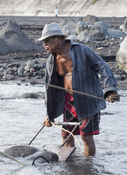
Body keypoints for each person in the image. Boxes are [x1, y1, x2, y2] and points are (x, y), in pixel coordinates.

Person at [39, 23, 119, 157]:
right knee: (66, 136)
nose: (44, 44)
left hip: (88, 100)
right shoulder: (50, 60)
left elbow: (102, 67)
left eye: (47, 40)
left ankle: (88, 168)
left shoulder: (82, 50)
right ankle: (70, 168)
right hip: (68, 102)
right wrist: (49, 114)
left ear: (59, 38)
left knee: (86, 137)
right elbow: (49, 89)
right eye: (43, 41)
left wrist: (110, 90)